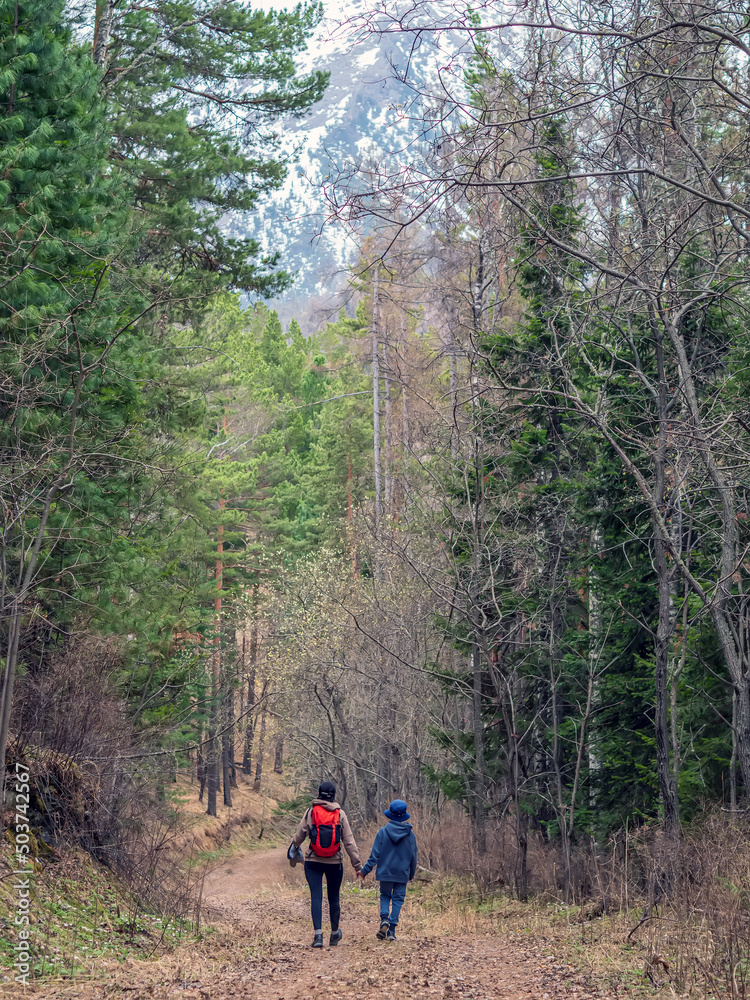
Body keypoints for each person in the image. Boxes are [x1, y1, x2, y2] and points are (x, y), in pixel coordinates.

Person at [292, 781, 362, 948]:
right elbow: (349, 841)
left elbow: (299, 835)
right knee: (333, 897)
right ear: (334, 795)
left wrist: (294, 847)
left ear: (319, 793)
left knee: (316, 896)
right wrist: (357, 865)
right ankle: (334, 933)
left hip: (312, 861)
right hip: (334, 862)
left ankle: (317, 936)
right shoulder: (340, 814)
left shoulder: (310, 812)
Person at [357, 799, 417, 941]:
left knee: (385, 895)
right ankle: (391, 931)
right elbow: (413, 857)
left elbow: (374, 856)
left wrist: (364, 871)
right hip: (402, 873)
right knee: (398, 899)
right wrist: (411, 874)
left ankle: (384, 918)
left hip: (385, 872)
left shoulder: (383, 832)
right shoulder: (410, 835)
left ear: (390, 814)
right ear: (404, 815)